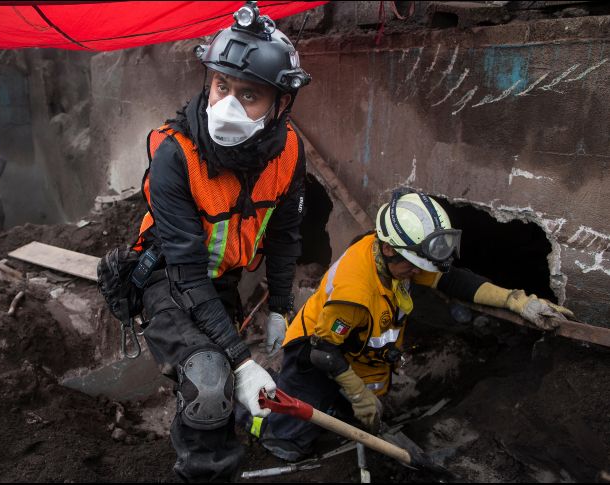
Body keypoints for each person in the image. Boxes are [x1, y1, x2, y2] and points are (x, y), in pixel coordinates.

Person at [250, 189, 575, 461]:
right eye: (415, 266)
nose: (418, 274)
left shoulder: (396, 258)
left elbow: (453, 281)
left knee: (347, 410)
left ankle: (335, 405)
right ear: (389, 249)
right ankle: (253, 415)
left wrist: (515, 300)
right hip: (315, 351)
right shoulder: (354, 295)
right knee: (289, 440)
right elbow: (323, 351)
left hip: (355, 351)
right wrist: (359, 394)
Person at [130, 2, 311, 481]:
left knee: (224, 385)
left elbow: (286, 233)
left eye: (249, 95)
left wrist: (280, 304)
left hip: (223, 280)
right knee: (211, 378)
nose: (228, 106)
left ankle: (214, 439)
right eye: (221, 86)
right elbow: (187, 273)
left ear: (280, 104)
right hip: (169, 279)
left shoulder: (289, 152)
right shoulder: (176, 156)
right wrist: (242, 360)